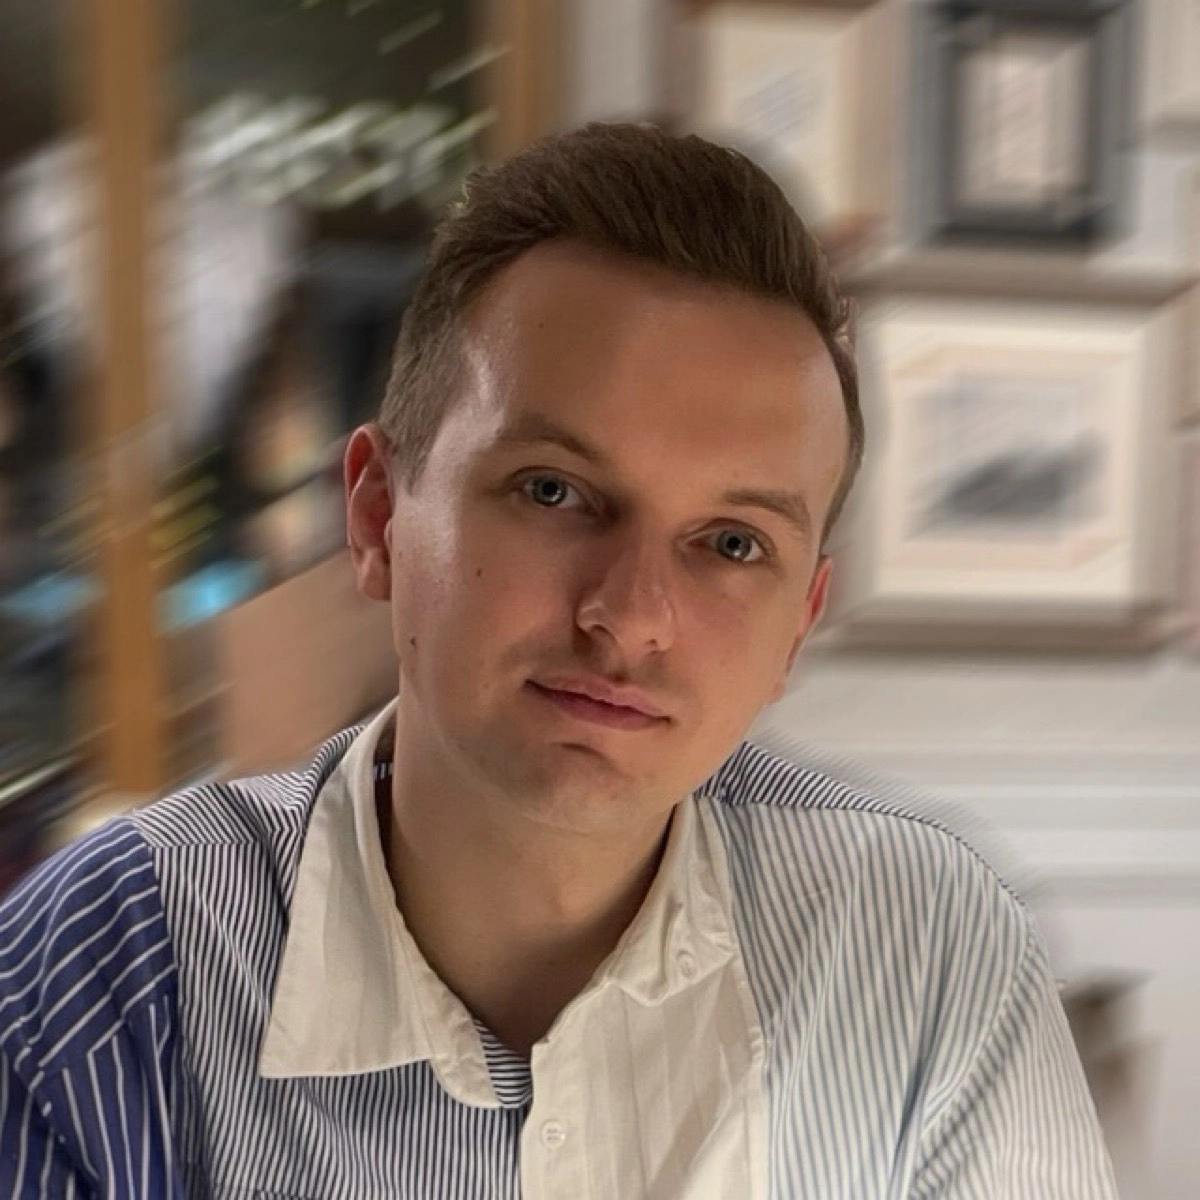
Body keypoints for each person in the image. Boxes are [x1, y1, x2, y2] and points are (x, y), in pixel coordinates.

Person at [0, 123, 1116, 1199]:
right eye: (553, 491)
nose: (630, 617)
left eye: (732, 544)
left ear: (799, 624)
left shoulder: (929, 949)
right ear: (380, 516)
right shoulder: (110, 963)